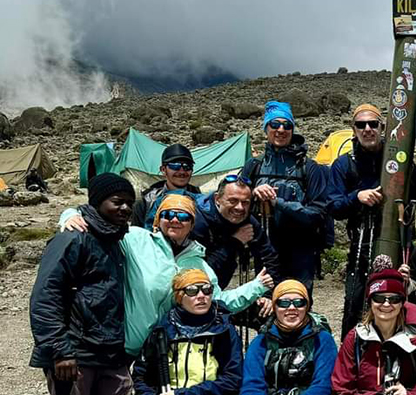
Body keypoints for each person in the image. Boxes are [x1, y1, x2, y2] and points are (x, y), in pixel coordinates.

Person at [30, 174, 137, 395]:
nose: (123, 207)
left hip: (112, 352)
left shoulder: (119, 240)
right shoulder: (72, 238)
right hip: (74, 354)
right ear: (96, 203)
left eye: (128, 201)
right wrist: (59, 348)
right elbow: (45, 298)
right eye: (115, 201)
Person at [61, 193, 272, 356]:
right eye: (168, 214)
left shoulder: (198, 263)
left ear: (191, 224)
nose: (175, 220)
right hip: (124, 345)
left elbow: (217, 301)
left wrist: (256, 286)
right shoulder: (135, 238)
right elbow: (100, 225)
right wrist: (71, 215)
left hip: (164, 352)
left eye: (183, 216)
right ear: (158, 219)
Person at [331, 103, 416, 337]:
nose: (367, 129)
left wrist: (403, 192)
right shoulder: (344, 165)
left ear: (382, 127)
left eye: (373, 124)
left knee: (397, 298)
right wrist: (357, 197)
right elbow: (333, 206)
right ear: (353, 128)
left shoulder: (401, 161)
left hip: (397, 243)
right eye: (361, 125)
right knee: (356, 303)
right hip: (361, 245)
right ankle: (352, 355)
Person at [239, 100, 333, 291]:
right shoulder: (254, 166)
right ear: (266, 127)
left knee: (297, 303)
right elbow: (235, 204)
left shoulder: (309, 168)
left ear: (292, 129)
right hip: (264, 248)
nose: (281, 130)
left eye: (287, 125)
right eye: (275, 124)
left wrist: (277, 202)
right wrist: (253, 195)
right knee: (264, 303)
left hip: (301, 250)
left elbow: (318, 214)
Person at [193, 174, 280, 290]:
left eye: (245, 202)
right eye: (233, 201)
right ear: (217, 199)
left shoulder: (247, 220)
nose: (239, 207)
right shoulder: (196, 222)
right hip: (194, 288)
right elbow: (199, 271)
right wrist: (234, 242)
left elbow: (269, 257)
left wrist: (269, 294)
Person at [131, 144, 201, 227]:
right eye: (175, 166)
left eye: (187, 166)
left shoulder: (200, 200)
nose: (182, 172)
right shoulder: (147, 201)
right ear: (163, 170)